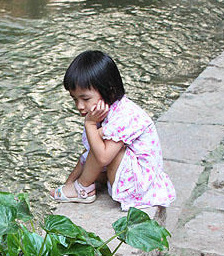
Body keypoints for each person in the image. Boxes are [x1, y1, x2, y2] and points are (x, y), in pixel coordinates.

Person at [50, 50, 176, 211]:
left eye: (85, 99)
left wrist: (89, 125)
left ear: (108, 90)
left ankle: (84, 189)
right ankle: (78, 186)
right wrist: (68, 184)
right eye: (75, 99)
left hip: (140, 185)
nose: (79, 106)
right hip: (131, 176)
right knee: (97, 142)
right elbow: (87, 153)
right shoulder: (106, 111)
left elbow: (101, 157)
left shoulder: (124, 115)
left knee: (101, 144)